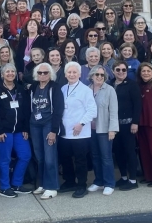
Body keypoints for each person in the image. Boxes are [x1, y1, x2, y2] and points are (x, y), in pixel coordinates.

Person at [0, 63, 32, 198]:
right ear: (2, 74)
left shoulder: (20, 89)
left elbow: (25, 110)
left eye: (12, 71)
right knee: (5, 159)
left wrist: (25, 128)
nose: (10, 74)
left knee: (25, 155)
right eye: (7, 72)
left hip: (19, 131)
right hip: (3, 132)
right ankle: (4, 187)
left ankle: (17, 184)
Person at [58, 62, 97, 198]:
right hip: (65, 132)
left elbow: (92, 110)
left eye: (75, 72)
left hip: (80, 132)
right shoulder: (62, 88)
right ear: (65, 74)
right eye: (69, 72)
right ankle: (69, 182)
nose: (72, 74)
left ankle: (81, 185)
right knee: (66, 159)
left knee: (80, 161)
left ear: (80, 74)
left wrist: (81, 123)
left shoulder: (85, 90)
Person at [28, 63, 65, 199]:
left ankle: (52, 186)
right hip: (34, 124)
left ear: (50, 74)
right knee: (39, 156)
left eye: (45, 73)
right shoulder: (33, 87)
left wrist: (54, 130)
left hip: (49, 124)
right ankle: (43, 184)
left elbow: (58, 110)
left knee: (50, 156)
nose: (42, 75)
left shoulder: (55, 88)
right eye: (40, 73)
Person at [87, 65, 119, 196]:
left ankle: (109, 183)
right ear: (92, 76)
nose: (99, 77)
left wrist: (112, 129)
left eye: (102, 75)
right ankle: (99, 181)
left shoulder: (110, 89)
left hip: (104, 129)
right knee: (95, 156)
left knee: (106, 157)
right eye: (97, 74)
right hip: (90, 130)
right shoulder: (87, 89)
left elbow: (113, 111)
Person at [110, 61, 142, 190]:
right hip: (114, 125)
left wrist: (135, 122)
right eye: (118, 70)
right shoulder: (110, 84)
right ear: (113, 71)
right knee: (118, 152)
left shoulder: (132, 85)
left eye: (124, 70)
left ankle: (133, 180)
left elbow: (138, 104)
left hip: (128, 124)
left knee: (130, 152)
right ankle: (123, 177)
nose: (121, 72)